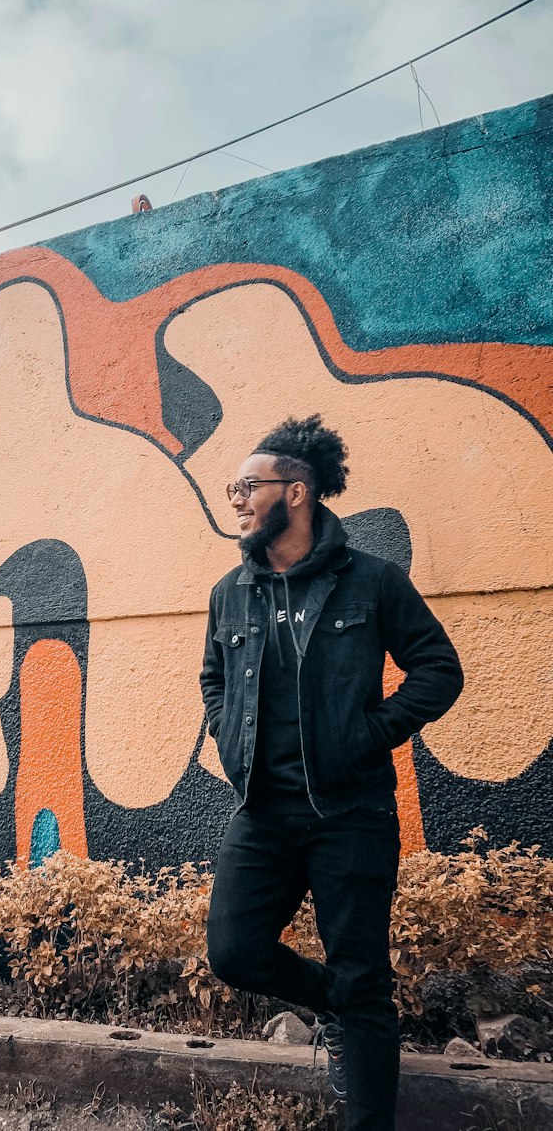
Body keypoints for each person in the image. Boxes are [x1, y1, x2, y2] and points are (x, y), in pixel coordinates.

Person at [199, 414, 463, 1131]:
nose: (236, 500)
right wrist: (227, 736)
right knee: (234, 949)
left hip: (352, 812)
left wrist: (369, 734)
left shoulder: (371, 582)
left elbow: (439, 669)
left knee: (365, 978)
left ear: (298, 491)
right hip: (263, 810)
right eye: (234, 487)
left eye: (247, 486)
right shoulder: (231, 592)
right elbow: (214, 679)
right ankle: (338, 1005)